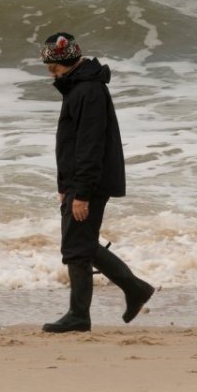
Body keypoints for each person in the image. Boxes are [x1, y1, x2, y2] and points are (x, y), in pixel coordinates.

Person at [39, 31, 155, 333]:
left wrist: (82, 194)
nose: (52, 73)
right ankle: (134, 289)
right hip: (78, 181)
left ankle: (80, 315)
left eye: (54, 67)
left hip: (89, 181)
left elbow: (90, 147)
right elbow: (71, 144)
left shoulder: (87, 91)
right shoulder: (77, 87)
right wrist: (65, 187)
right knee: (80, 244)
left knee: (77, 247)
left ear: (66, 62)